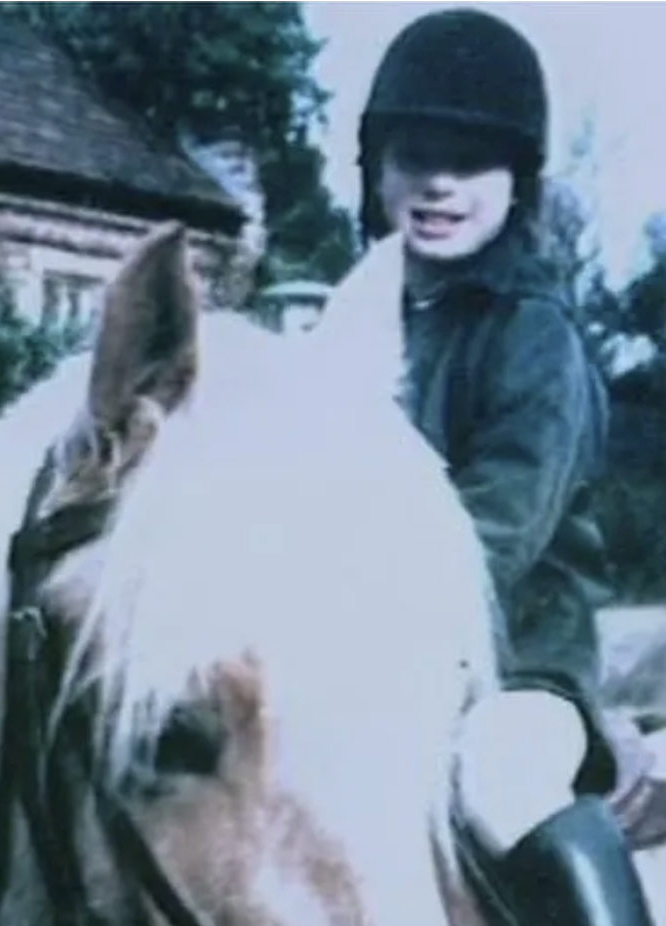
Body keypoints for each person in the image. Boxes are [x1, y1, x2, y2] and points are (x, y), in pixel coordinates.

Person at [351, 8, 655, 926]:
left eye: (472, 162)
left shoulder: (533, 334)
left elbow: (497, 530)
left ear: (517, 182)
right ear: (375, 170)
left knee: (499, 779)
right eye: (415, 157)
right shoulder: (351, 321)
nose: (439, 184)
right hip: (363, 654)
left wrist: (348, 606)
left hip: (518, 665)